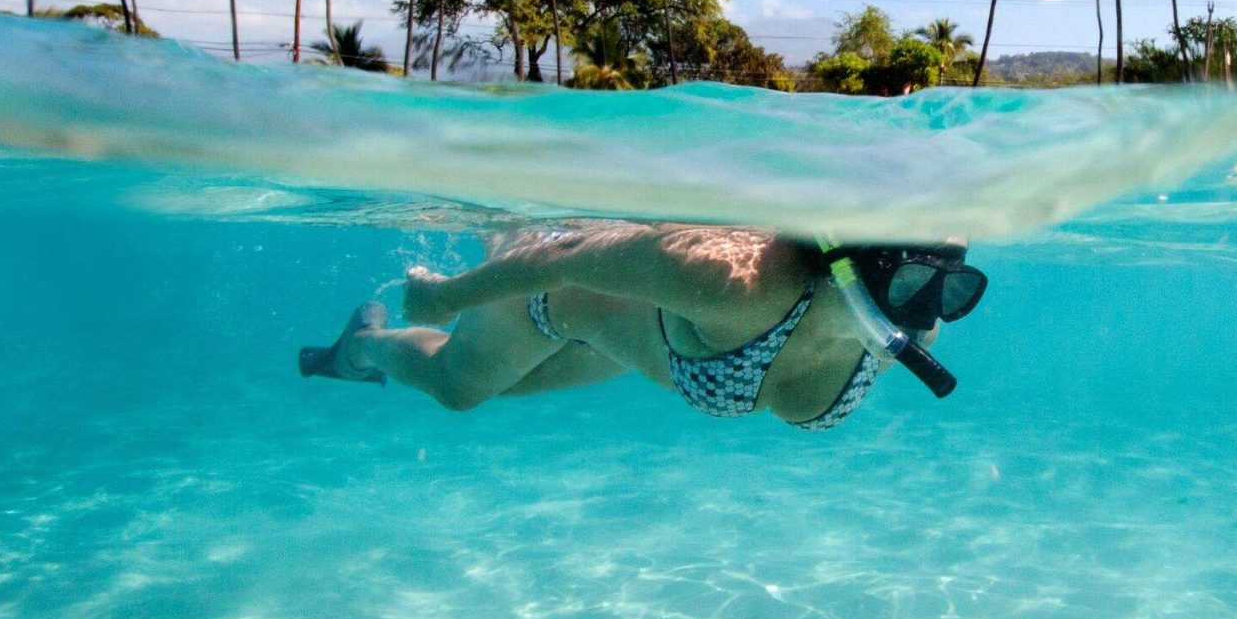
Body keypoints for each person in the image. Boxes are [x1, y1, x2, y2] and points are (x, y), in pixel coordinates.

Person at [299, 221, 984, 428]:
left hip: (637, 338)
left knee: (503, 388)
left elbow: (920, 305)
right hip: (555, 293)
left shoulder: (916, 326)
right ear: (849, 267)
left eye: (953, 291)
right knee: (459, 386)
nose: (926, 312)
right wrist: (447, 297)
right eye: (910, 284)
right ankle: (360, 345)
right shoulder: (737, 282)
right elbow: (566, 257)